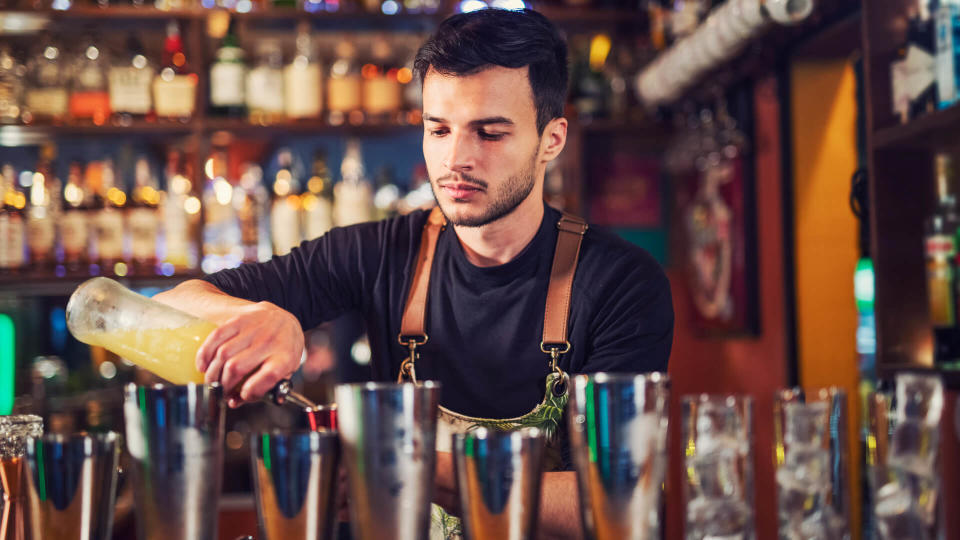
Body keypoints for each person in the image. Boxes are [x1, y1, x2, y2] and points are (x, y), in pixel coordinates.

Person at [155, 8, 673, 538]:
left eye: (489, 133)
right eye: (439, 129)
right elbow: (171, 303)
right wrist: (263, 316)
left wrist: (407, 468)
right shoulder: (383, 251)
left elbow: (621, 494)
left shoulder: (620, 284)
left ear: (552, 140)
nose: (455, 159)